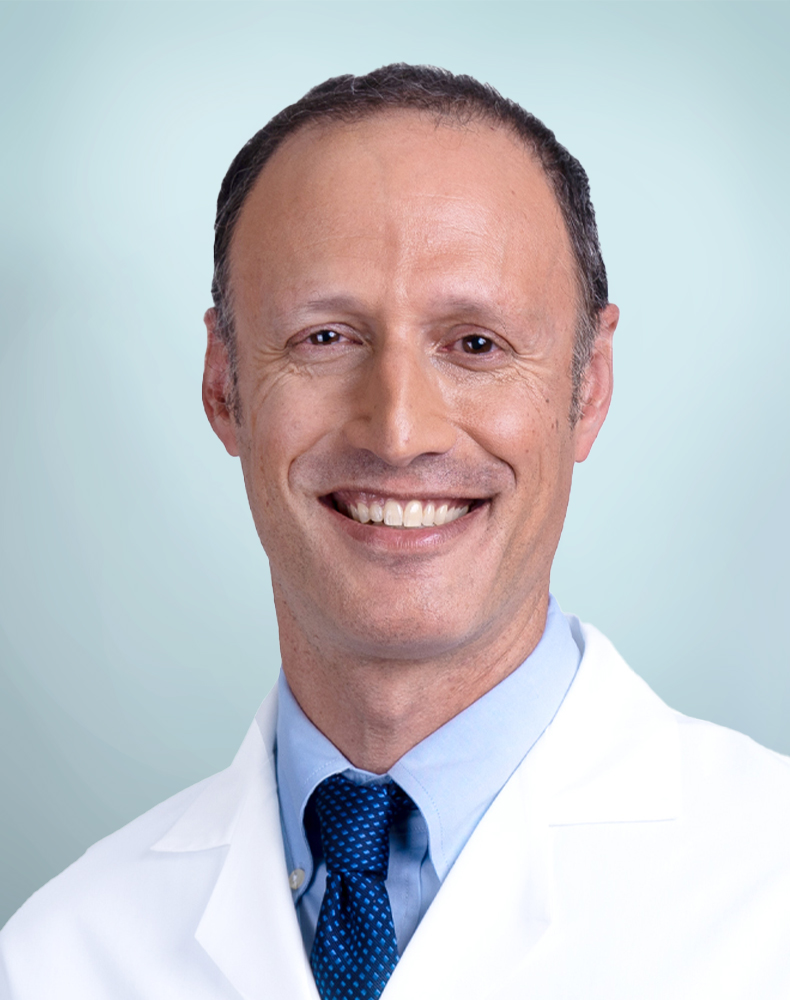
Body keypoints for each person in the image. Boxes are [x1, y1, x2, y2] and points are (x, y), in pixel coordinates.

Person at [1, 63, 789, 1000]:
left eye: (476, 345)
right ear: (223, 384)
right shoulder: (57, 956)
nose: (400, 432)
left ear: (588, 388)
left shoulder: (767, 891)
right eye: (326, 339)